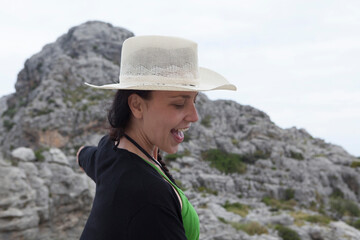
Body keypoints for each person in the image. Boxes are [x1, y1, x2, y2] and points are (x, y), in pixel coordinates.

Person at [76, 35, 236, 240]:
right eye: (179, 104)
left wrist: (80, 155)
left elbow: (84, 155)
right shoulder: (149, 196)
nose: (194, 116)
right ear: (137, 105)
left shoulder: (110, 148)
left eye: (194, 101)